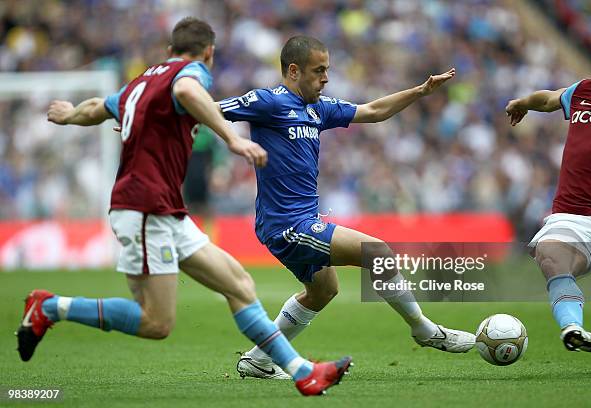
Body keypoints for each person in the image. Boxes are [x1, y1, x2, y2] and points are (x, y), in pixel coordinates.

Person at [16, 18, 351, 396]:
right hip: (143, 208)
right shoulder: (192, 73)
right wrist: (233, 139)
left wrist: (70, 114)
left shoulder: (143, 81)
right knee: (156, 322)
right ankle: (50, 307)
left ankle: (303, 373)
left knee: (238, 284)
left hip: (165, 208)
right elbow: (189, 92)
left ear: (170, 49)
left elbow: (100, 105)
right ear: (208, 52)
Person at [216, 36, 475, 380]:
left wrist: (419, 92)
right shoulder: (268, 102)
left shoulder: (317, 108)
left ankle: (258, 360)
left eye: (327, 70)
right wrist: (149, 122)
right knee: (377, 252)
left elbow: (372, 111)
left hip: (303, 219)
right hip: (286, 225)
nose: (325, 78)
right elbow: (208, 107)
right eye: (318, 70)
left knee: (323, 291)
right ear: (293, 71)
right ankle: (423, 329)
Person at [505, 40, 591, 353]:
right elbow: (549, 99)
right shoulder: (583, 92)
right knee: (551, 256)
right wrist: (524, 103)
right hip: (572, 216)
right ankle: (572, 327)